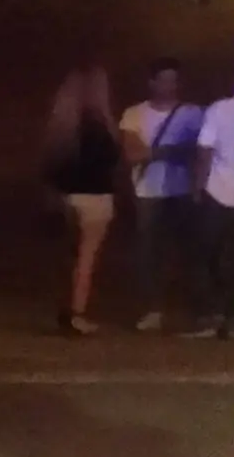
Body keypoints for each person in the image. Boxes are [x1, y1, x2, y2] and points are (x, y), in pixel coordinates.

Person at [119, 58, 204, 332]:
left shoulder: (195, 113)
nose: (169, 86)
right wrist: (175, 150)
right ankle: (153, 309)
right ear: (151, 82)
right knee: (149, 253)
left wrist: (153, 152)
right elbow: (132, 154)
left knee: (190, 252)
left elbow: (201, 153)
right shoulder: (134, 113)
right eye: (164, 79)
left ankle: (194, 310)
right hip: (148, 193)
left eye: (174, 80)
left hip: (183, 191)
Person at [44, 64, 122, 335]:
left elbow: (51, 165)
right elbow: (111, 159)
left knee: (69, 257)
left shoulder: (62, 127)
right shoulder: (100, 126)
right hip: (96, 198)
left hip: (68, 197)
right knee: (87, 259)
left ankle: (65, 308)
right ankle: (77, 314)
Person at [189, 74, 234, 339]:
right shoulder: (219, 109)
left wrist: (197, 187)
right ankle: (230, 318)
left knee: (211, 255)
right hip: (219, 192)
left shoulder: (219, 109)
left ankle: (214, 315)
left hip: (217, 192)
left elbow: (204, 151)